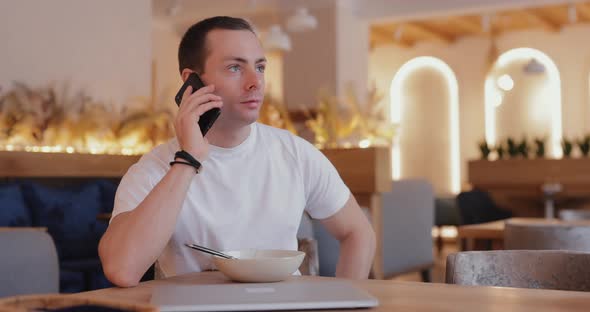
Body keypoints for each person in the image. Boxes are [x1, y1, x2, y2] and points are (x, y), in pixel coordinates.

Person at [98, 16, 376, 287]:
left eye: (260, 67)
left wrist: (344, 303)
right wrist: (188, 159)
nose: (255, 82)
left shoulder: (296, 154)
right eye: (235, 68)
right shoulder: (155, 168)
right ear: (191, 80)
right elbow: (122, 270)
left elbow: (358, 232)